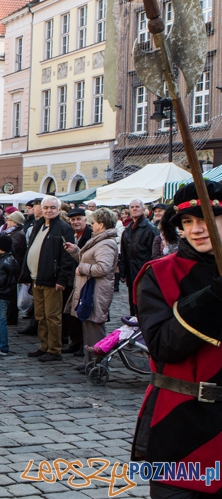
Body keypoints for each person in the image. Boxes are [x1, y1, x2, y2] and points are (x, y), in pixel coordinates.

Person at [131, 181, 222, 498]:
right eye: (188, 221)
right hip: (178, 421)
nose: (197, 229)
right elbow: (163, 345)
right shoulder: (159, 274)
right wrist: (211, 298)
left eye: (207, 218)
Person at [19, 196, 76, 362]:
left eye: (52, 207)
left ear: (58, 209)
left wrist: (62, 279)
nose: (49, 210)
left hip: (52, 279)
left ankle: (54, 349)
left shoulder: (64, 228)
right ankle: (44, 346)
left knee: (52, 316)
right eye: (46, 208)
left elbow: (67, 257)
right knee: (40, 316)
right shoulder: (38, 225)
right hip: (37, 278)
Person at [63, 208, 118, 374]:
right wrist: (75, 252)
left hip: (95, 291)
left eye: (93, 223)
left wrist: (83, 268)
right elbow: (89, 258)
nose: (91, 225)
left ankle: (98, 364)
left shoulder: (107, 243)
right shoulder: (99, 240)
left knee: (94, 329)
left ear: (101, 224)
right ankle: (89, 362)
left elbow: (104, 267)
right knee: (87, 327)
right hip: (89, 289)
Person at [63, 208, 93, 355]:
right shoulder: (70, 234)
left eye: (79, 219)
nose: (76, 222)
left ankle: (83, 344)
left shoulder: (90, 235)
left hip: (84, 278)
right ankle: (75, 342)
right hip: (71, 277)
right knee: (71, 313)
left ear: (85, 220)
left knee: (82, 312)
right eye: (73, 220)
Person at [120, 199, 158, 315]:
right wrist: (122, 272)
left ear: (143, 209)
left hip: (144, 272)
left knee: (144, 303)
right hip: (131, 272)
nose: (134, 209)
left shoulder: (151, 229)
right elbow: (124, 253)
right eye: (132, 207)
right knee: (133, 302)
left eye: (137, 206)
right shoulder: (127, 230)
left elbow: (155, 253)